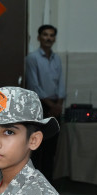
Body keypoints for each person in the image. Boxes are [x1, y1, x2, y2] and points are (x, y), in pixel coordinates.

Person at [23, 24, 65, 182]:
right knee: (37, 148)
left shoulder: (57, 59)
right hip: (39, 106)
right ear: (39, 37)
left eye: (52, 35)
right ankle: (34, 186)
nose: (49, 38)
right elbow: (34, 86)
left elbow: (61, 83)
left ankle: (48, 187)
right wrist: (52, 106)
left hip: (55, 106)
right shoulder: (32, 58)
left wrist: (58, 104)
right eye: (45, 35)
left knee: (51, 149)